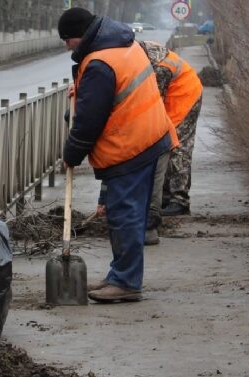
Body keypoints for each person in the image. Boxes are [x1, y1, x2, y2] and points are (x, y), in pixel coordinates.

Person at [58, 8, 175, 303]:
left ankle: (126, 281)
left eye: (66, 39)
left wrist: (71, 154)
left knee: (125, 216)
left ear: (78, 37)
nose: (65, 46)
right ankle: (120, 274)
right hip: (149, 138)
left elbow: (89, 121)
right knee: (128, 214)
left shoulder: (99, 62)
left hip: (131, 146)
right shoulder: (124, 45)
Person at [138, 40, 203, 234]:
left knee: (177, 147)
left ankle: (180, 200)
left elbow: (152, 98)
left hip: (185, 99)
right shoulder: (141, 52)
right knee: (165, 146)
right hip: (176, 98)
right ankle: (167, 195)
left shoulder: (159, 68)